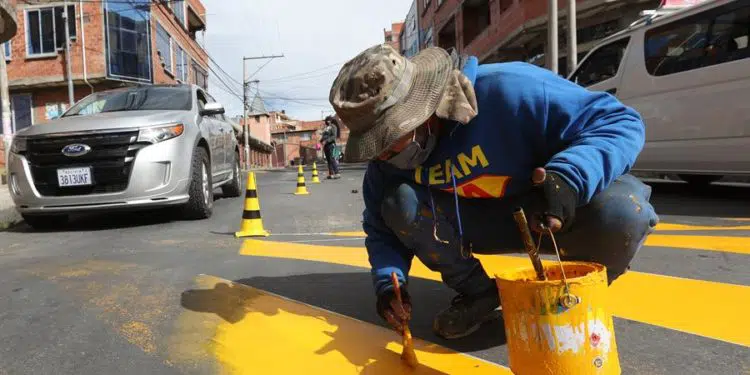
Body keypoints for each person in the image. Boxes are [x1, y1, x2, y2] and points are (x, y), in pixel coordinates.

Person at [328, 44, 659, 340]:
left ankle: (575, 297)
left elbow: (620, 122)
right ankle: (479, 294)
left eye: (389, 139)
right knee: (397, 203)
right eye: (376, 146)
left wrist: (568, 178)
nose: (383, 155)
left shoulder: (511, 90)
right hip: (481, 224)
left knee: (623, 210)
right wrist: (389, 282)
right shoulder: (387, 165)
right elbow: (380, 228)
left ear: (420, 110)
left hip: (547, 212)